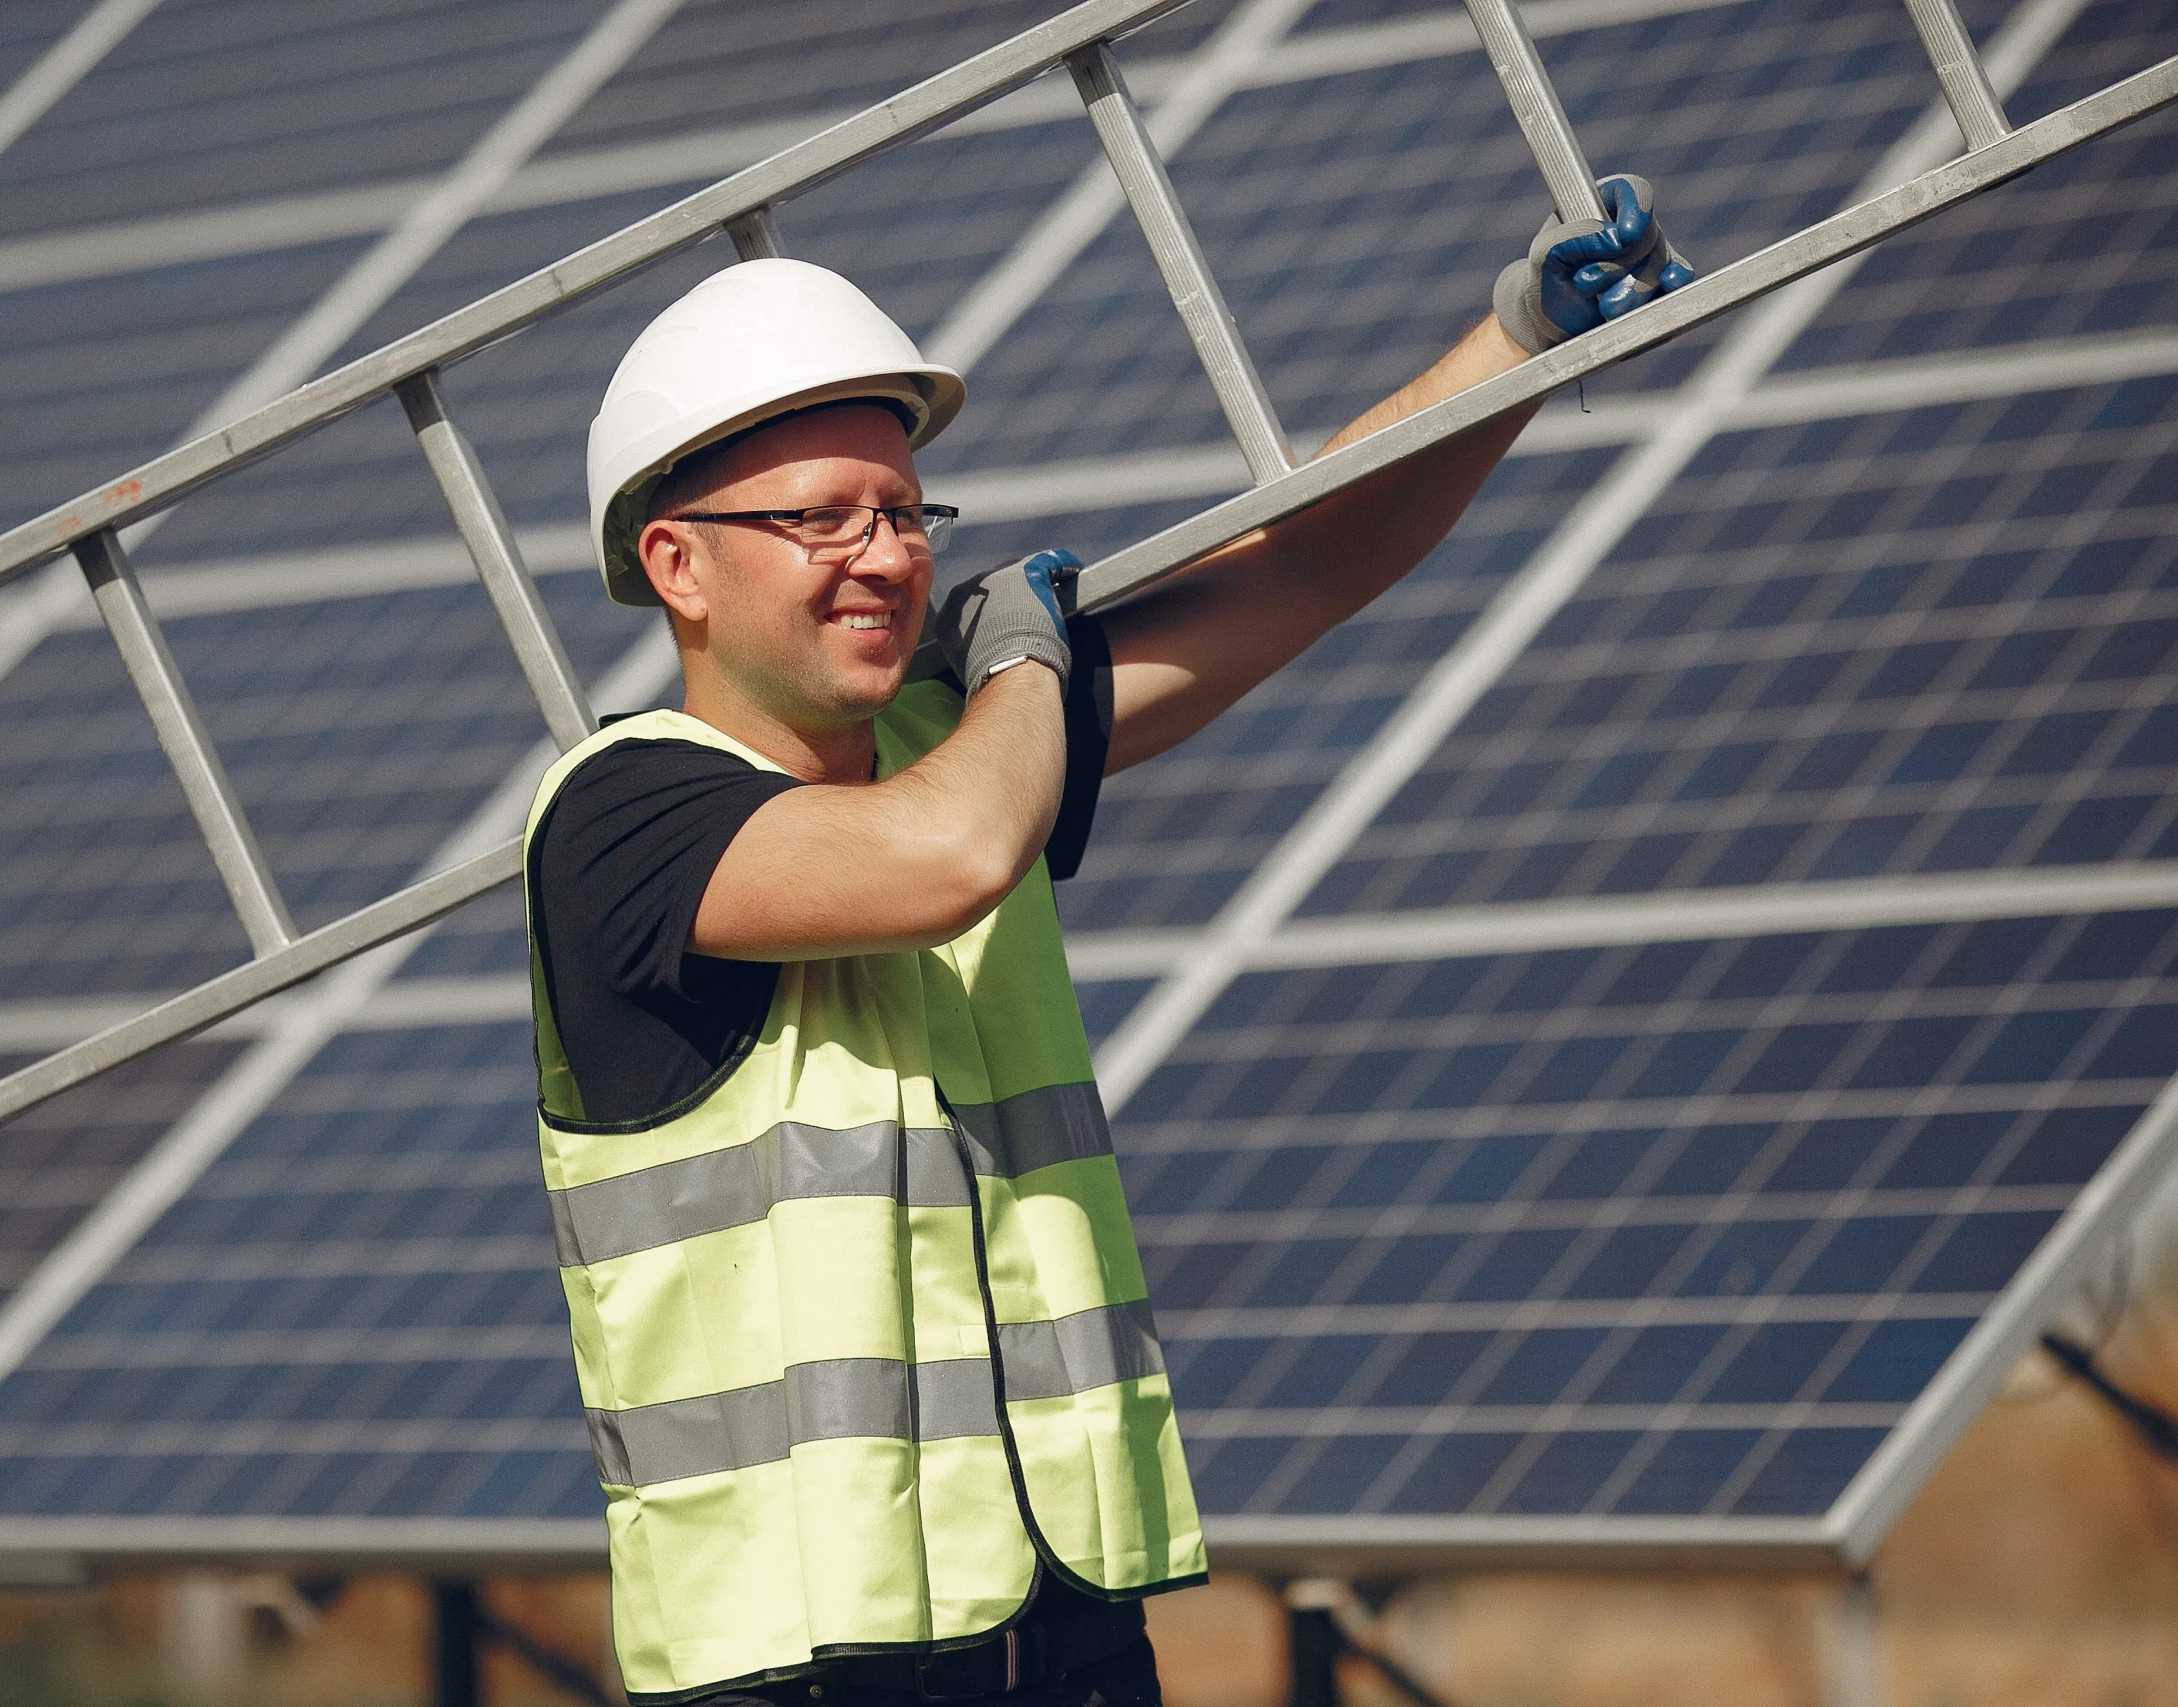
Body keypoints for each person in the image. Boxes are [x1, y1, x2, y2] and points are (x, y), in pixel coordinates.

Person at [524, 178, 1692, 1707]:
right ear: (679, 565)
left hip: (1060, 1626)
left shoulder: (961, 736)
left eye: (901, 511)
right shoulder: (621, 815)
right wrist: (1024, 659)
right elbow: (945, 853)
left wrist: (1515, 341)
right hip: (800, 1664)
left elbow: (1298, 567)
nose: (883, 555)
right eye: (822, 518)